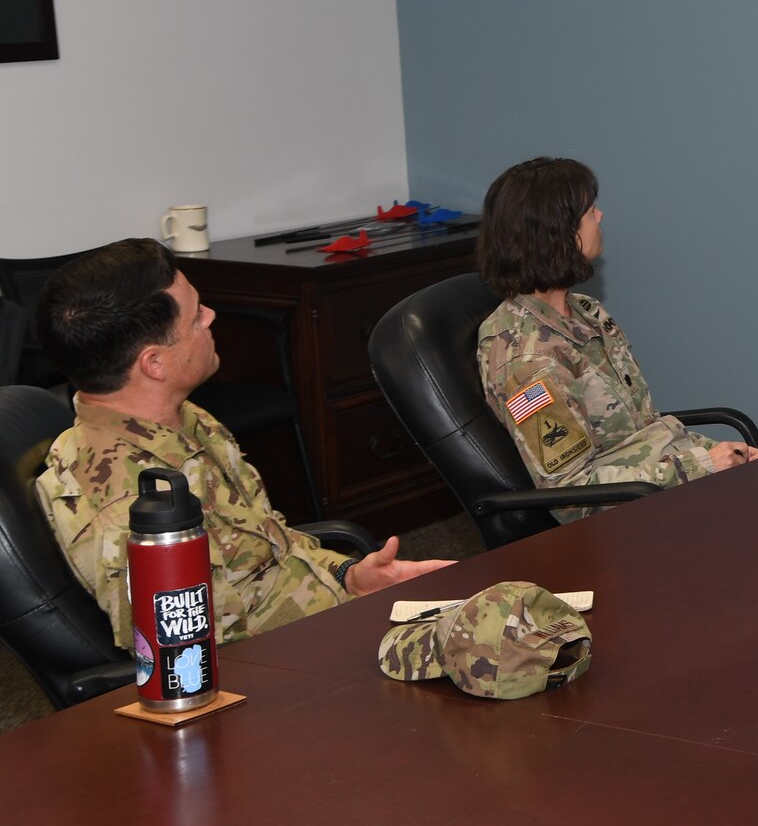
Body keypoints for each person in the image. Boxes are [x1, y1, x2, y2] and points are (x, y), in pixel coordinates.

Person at [33, 239, 452, 649]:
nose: (212, 317)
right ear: (154, 363)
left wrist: (349, 576)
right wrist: (354, 624)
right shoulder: (132, 508)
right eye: (196, 317)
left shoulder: (182, 421)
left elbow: (266, 546)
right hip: (287, 666)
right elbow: (199, 654)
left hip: (326, 618)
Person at [476, 157, 758, 520]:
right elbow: (573, 495)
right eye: (589, 210)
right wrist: (702, 465)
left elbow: (641, 432)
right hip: (626, 519)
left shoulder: (584, 310)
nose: (600, 216)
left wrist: (721, 455)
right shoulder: (528, 360)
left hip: (664, 481)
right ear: (557, 232)